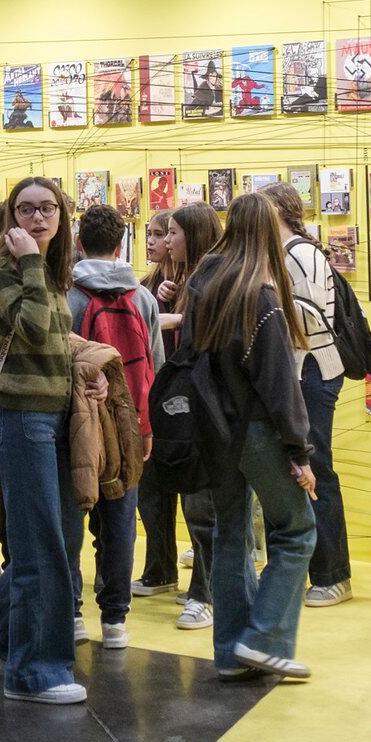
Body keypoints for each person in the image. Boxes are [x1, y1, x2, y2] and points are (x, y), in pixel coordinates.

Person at [0, 177, 93, 705]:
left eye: (48, 208)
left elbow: (54, 343)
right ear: (9, 217)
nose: (37, 218)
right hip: (19, 420)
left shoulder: (54, 273)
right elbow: (34, 326)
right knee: (40, 547)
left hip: (55, 416)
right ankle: (33, 671)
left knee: (56, 540)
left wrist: (88, 370)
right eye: (25, 209)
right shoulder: (2, 266)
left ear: (63, 214)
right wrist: (32, 260)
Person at [185, 193, 320, 680]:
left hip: (212, 430)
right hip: (256, 431)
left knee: (230, 535)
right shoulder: (260, 294)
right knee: (297, 530)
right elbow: (279, 384)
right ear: (269, 231)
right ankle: (265, 639)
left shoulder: (203, 282)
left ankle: (231, 654)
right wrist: (299, 451)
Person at [67, 204, 165, 648]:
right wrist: (146, 426)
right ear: (122, 244)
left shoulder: (68, 296)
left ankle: (72, 614)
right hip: (129, 421)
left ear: (78, 243)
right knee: (121, 518)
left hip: (77, 423)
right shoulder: (142, 298)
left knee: (71, 515)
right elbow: (156, 368)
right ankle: (115, 620)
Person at [259, 183, 353, 609]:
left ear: (278, 209)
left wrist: (265, 297)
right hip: (296, 369)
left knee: (317, 468)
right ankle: (300, 568)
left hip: (314, 368)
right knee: (294, 471)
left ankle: (333, 575)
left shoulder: (303, 252)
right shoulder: (281, 253)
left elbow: (314, 315)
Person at [135, 204, 221, 630]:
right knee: (159, 491)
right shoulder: (171, 280)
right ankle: (165, 570)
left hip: (199, 403)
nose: (162, 241)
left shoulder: (210, 279)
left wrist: (169, 317)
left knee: (201, 504)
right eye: (158, 233)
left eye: (169, 232)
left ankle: (206, 592)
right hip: (168, 400)